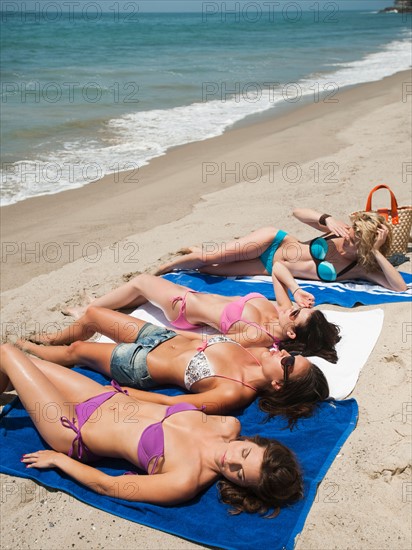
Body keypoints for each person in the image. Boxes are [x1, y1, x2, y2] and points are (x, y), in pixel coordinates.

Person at [0, 344, 303, 514]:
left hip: (72, 428)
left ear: (242, 486)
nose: (231, 460)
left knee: (7, 353)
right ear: (257, 441)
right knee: (18, 369)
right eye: (245, 452)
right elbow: (167, 401)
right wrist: (125, 393)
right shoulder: (228, 424)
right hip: (99, 395)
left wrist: (60, 460)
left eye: (238, 473)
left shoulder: (185, 480)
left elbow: (112, 486)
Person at [17, 304, 329, 426]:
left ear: (278, 385)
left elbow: (175, 403)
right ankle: (51, 339)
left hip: (139, 364)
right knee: (94, 315)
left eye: (287, 362)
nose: (282, 354)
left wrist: (126, 394)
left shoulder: (235, 393)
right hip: (160, 335)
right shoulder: (260, 351)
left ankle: (28, 351)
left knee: (78, 351)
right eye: (290, 354)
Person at [61, 262, 341, 362]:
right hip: (192, 297)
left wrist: (174, 335)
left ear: (291, 331)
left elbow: (214, 344)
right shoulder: (279, 312)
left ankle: (88, 310)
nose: (292, 310)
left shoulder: (260, 334)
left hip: (182, 308)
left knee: (141, 281)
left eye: (295, 315)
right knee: (138, 291)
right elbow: (278, 267)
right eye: (297, 309)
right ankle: (97, 302)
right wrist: (295, 291)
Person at [154, 209, 407, 292]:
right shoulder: (339, 230)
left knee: (209, 269)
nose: (351, 235)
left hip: (268, 267)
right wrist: (325, 219)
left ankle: (196, 251)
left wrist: (374, 253)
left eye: (359, 236)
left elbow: (399, 287)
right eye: (354, 229)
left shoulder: (362, 268)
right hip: (273, 242)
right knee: (208, 257)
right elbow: (297, 212)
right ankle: (160, 270)